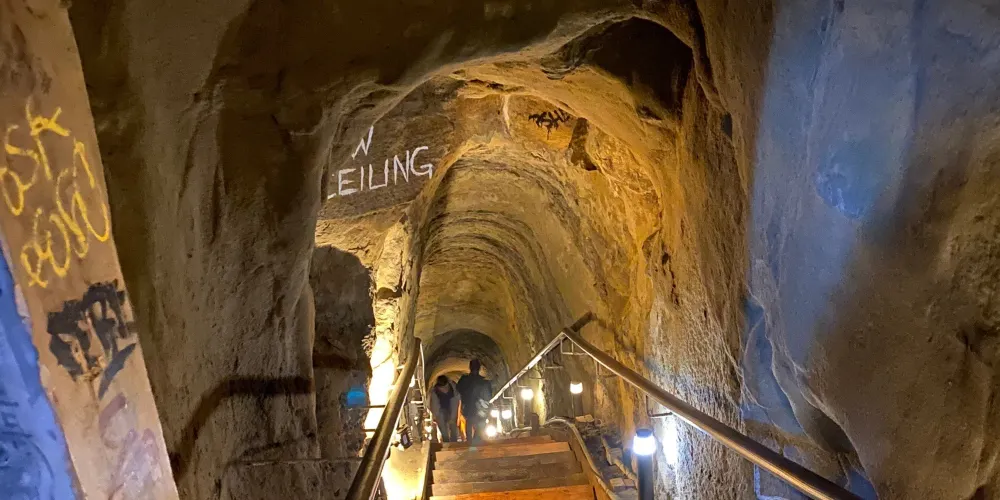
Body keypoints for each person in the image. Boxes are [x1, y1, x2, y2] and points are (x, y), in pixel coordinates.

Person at [456, 359, 492, 443]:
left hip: (469, 404)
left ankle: (470, 440)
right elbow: (489, 394)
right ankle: (476, 439)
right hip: (480, 405)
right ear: (479, 368)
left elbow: (458, 389)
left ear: (470, 367)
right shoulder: (484, 382)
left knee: (470, 421)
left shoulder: (464, 380)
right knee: (479, 422)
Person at [428, 375, 460, 443]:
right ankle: (446, 442)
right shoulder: (434, 392)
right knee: (443, 429)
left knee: (453, 426)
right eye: (442, 388)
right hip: (440, 411)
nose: (444, 389)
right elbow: (432, 404)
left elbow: (456, 400)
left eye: (446, 387)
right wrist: (435, 415)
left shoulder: (453, 389)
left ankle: (454, 442)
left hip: (451, 409)